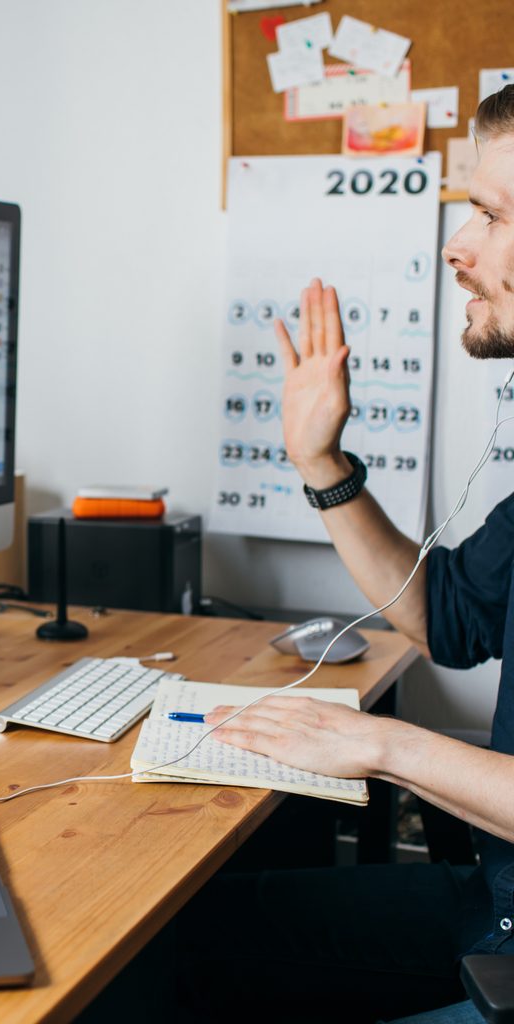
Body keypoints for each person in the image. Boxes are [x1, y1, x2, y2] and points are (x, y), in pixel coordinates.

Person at [173, 84, 514, 1024]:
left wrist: (378, 743)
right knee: (173, 945)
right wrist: (319, 463)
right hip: (497, 911)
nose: (458, 245)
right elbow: (444, 619)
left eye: (488, 215)